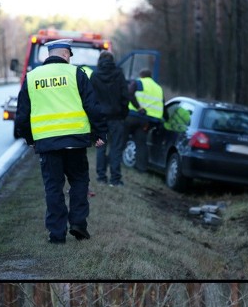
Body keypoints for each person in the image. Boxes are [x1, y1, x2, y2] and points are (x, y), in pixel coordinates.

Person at [15, 39, 107, 244]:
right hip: (75, 141)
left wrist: (29, 139)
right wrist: (100, 133)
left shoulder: (32, 77)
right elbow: (93, 107)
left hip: (47, 144)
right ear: (66, 54)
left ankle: (56, 235)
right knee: (79, 182)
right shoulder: (76, 74)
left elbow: (22, 115)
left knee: (53, 188)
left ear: (50, 54)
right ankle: (78, 224)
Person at [90, 52, 129, 186]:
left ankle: (101, 178)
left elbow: (91, 99)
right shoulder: (119, 74)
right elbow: (125, 96)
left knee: (100, 147)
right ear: (112, 60)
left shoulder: (94, 76)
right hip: (116, 118)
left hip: (100, 119)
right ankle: (115, 179)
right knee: (116, 148)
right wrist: (123, 114)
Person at [125, 68, 164, 172]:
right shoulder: (158, 88)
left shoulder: (138, 82)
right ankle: (141, 168)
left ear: (141, 75)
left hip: (132, 116)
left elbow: (129, 95)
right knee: (141, 143)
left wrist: (138, 107)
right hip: (147, 121)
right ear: (150, 76)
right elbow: (162, 104)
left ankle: (114, 161)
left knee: (120, 139)